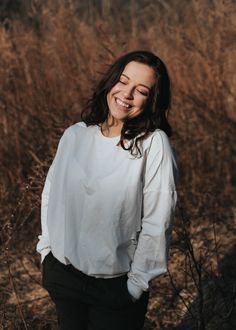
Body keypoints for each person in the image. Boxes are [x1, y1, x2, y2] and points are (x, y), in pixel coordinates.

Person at [36, 50, 178, 330]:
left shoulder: (152, 144)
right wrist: (46, 251)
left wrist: (136, 284)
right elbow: (51, 195)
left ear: (152, 100)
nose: (126, 94)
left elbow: (157, 220)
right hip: (63, 276)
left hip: (115, 289)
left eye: (141, 90)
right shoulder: (76, 135)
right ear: (111, 82)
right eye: (123, 82)